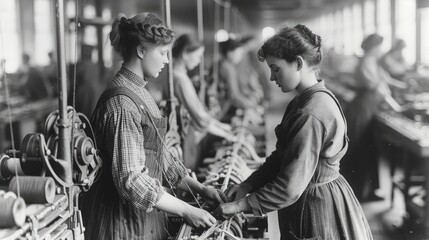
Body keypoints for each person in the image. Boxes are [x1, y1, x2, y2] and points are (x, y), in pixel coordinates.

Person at [214, 25, 373, 240]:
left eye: (276, 68)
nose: (271, 77)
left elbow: (289, 187)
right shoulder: (305, 100)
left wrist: (240, 206)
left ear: (298, 63)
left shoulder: (311, 112)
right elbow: (281, 157)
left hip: (317, 206)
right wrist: (247, 185)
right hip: (311, 196)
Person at [80, 13, 227, 240]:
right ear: (141, 51)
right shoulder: (122, 103)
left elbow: (160, 157)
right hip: (120, 225)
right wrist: (186, 209)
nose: (167, 60)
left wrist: (200, 189)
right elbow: (131, 180)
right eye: (162, 53)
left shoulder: (139, 92)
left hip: (140, 219)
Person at [341, 34, 404, 201]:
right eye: (379, 47)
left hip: (368, 107)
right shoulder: (367, 62)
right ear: (373, 47)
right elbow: (377, 87)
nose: (381, 50)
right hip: (363, 108)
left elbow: (385, 80)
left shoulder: (371, 62)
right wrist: (395, 106)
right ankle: (360, 193)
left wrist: (403, 86)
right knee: (362, 149)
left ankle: (366, 191)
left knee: (368, 149)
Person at [172, 34, 237, 169]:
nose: (199, 61)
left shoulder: (180, 75)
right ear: (185, 53)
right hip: (185, 138)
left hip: (188, 134)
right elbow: (200, 117)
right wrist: (225, 133)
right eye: (197, 56)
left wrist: (221, 126)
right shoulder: (180, 79)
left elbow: (200, 112)